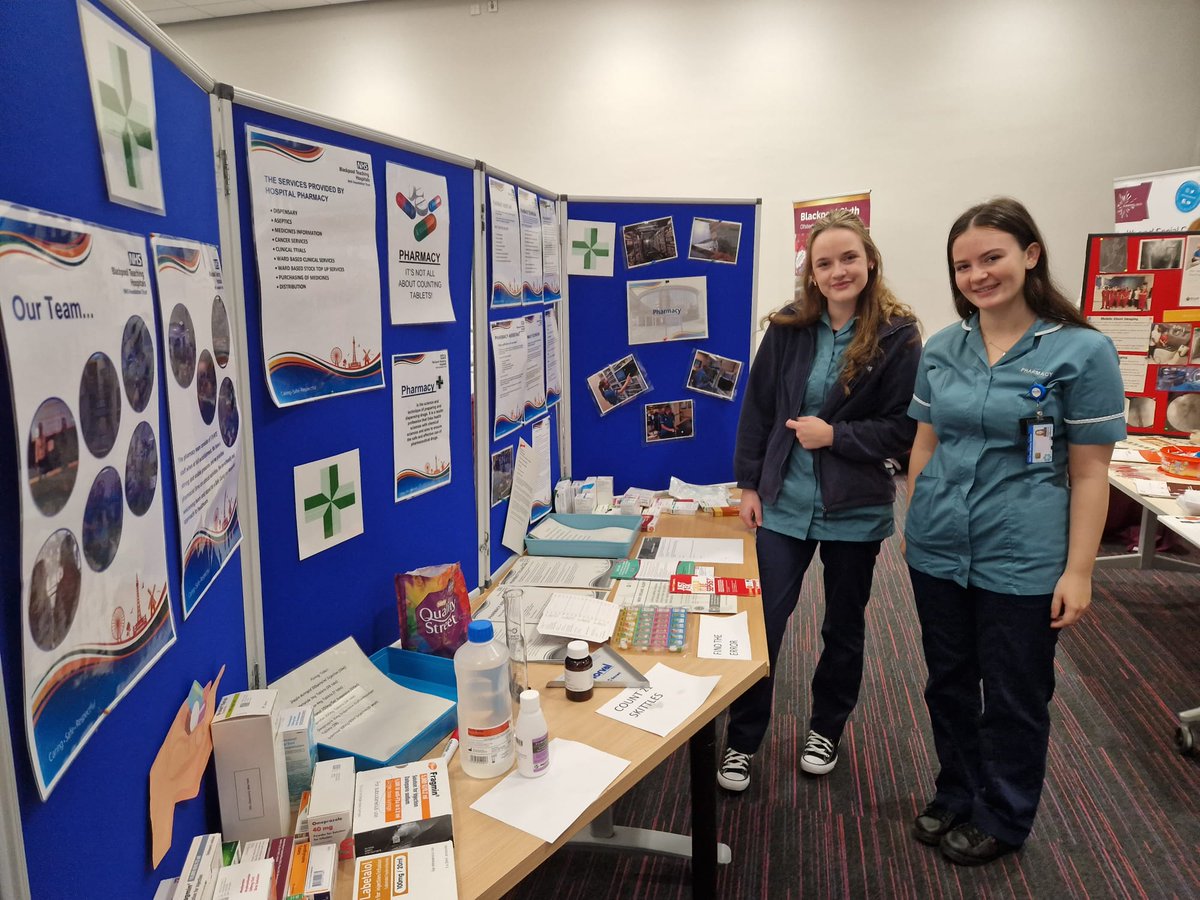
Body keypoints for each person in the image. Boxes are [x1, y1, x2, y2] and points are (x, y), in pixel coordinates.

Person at [904, 198, 1125, 865]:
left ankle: (1003, 811)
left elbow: (1091, 475)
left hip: (1021, 552)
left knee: (1013, 691)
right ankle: (957, 788)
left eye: (991, 256)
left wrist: (1079, 571)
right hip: (938, 545)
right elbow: (923, 444)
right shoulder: (943, 346)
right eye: (963, 265)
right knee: (948, 680)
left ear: (1030, 254)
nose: (977, 275)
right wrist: (915, 518)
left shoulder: (1081, 351)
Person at [720, 210, 921, 791]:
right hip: (784, 501)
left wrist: (837, 436)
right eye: (824, 262)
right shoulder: (787, 328)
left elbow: (906, 430)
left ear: (870, 261)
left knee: (843, 627)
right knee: (764, 624)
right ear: (809, 271)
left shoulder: (898, 334)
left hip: (854, 508)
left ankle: (825, 728)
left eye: (848, 258)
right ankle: (741, 739)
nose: (837, 271)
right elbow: (758, 410)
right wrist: (750, 484)